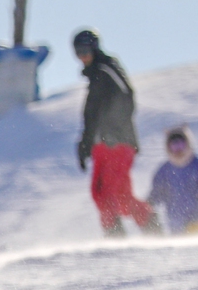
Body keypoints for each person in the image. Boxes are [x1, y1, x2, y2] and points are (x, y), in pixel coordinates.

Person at [72, 28, 161, 237]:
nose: (82, 57)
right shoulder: (97, 76)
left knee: (103, 193)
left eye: (85, 50)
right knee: (121, 198)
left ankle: (116, 239)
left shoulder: (106, 69)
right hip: (103, 144)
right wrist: (85, 144)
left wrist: (113, 130)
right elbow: (93, 117)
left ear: (94, 48)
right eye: (77, 53)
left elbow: (126, 97)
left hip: (115, 143)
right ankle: (152, 227)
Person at [147, 125, 198, 234]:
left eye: (181, 145)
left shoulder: (196, 167)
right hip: (176, 227)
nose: (178, 151)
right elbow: (157, 194)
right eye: (174, 147)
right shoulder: (164, 171)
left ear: (188, 144)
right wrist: (148, 204)